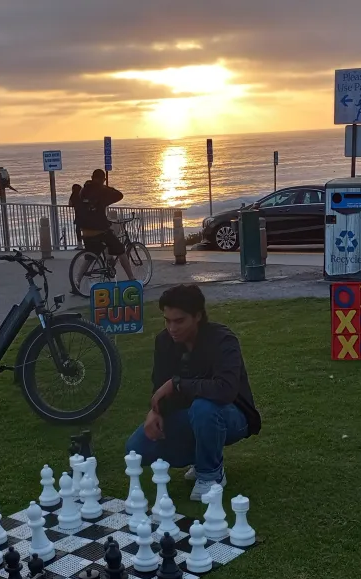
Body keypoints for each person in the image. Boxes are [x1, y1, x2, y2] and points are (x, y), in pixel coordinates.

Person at [125, 285, 261, 501]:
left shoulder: (223, 340)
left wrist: (177, 384)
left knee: (204, 408)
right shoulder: (164, 341)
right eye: (167, 320)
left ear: (197, 316)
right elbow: (160, 386)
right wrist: (155, 411)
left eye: (179, 321)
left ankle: (210, 474)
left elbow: (225, 390)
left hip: (232, 415)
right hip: (190, 414)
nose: (172, 328)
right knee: (136, 448)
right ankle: (201, 458)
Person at [76, 169, 136, 281]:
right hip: (100, 230)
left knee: (90, 256)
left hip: (85, 230)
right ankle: (132, 278)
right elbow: (119, 195)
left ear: (91, 177)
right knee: (121, 250)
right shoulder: (102, 191)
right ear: (103, 179)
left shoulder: (83, 191)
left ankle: (77, 282)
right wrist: (107, 187)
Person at [67, 183, 84, 248]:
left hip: (79, 215)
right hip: (87, 214)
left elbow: (70, 204)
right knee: (86, 229)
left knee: (78, 230)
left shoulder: (74, 195)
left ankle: (80, 245)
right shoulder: (83, 194)